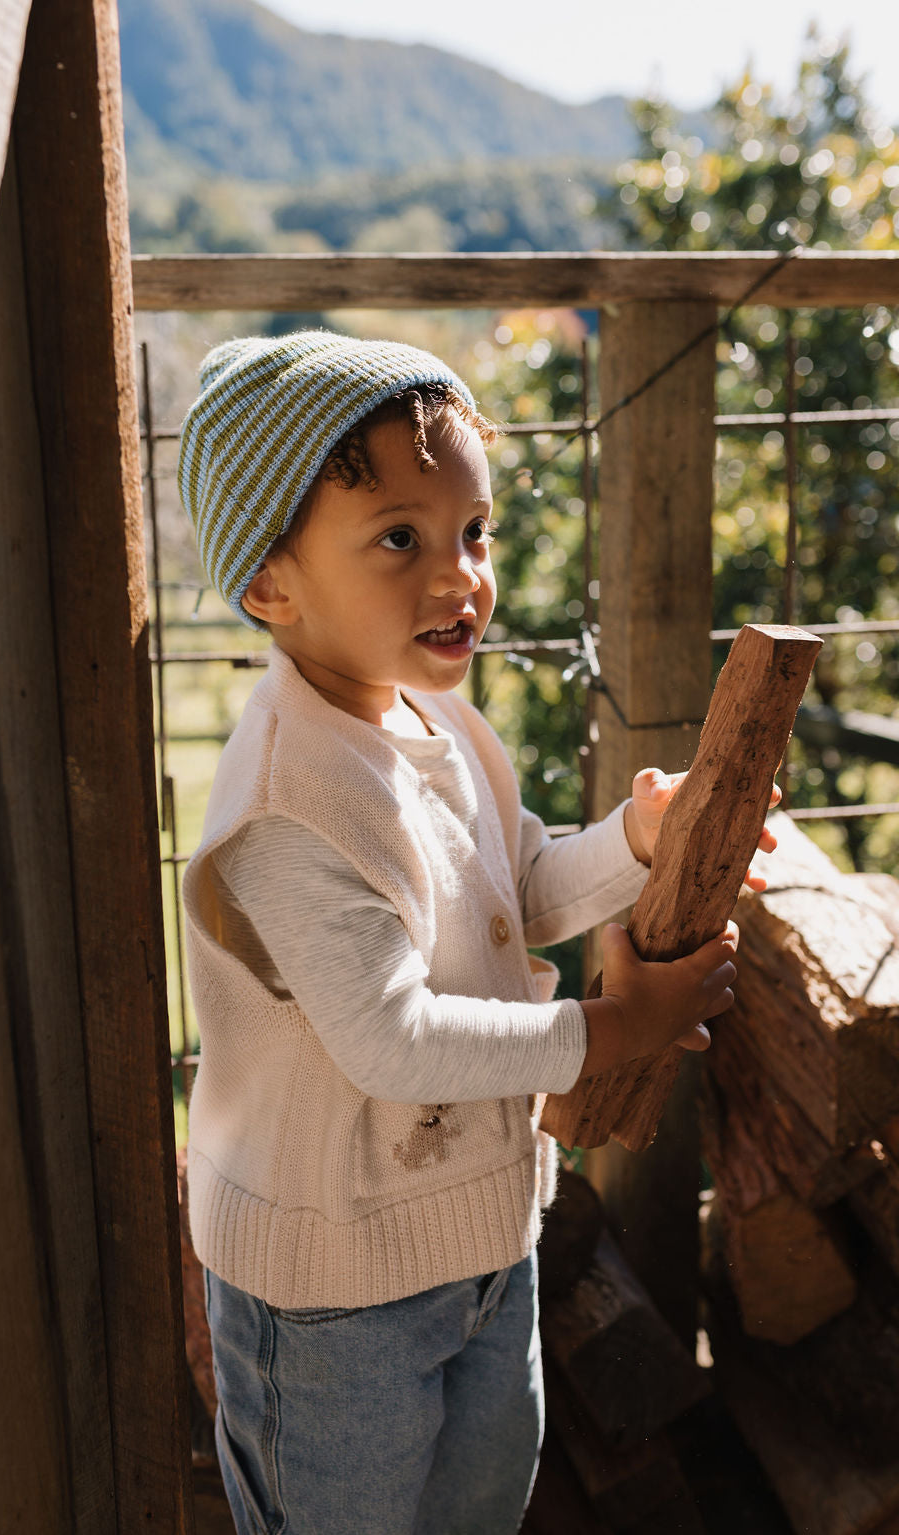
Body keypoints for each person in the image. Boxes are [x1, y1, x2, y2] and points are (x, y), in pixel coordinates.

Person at [177, 330, 770, 1535]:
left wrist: (636, 841)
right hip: (331, 1289)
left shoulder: (437, 727)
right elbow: (392, 1039)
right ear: (270, 585)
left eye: (474, 531)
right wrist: (616, 1028)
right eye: (401, 537)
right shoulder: (289, 806)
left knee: (480, 1501)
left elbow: (516, 889)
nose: (460, 575)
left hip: (478, 1244)